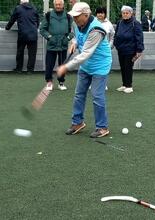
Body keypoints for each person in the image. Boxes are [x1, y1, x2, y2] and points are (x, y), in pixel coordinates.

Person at [56, 2, 112, 138]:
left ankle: (102, 127)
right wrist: (74, 43)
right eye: (73, 16)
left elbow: (86, 53)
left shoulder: (96, 30)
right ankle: (77, 122)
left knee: (97, 96)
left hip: (100, 65)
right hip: (86, 65)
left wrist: (66, 66)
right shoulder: (77, 23)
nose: (74, 19)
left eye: (77, 16)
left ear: (86, 15)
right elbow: (76, 36)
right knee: (79, 94)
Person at [40, 0, 73, 91]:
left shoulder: (68, 16)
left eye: (60, 4)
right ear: (54, 5)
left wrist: (67, 38)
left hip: (63, 45)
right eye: (56, 4)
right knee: (49, 65)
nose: (58, 6)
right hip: (52, 45)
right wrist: (49, 37)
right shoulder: (48, 15)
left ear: (63, 5)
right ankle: (49, 82)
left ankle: (61, 83)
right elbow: (42, 29)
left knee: (62, 65)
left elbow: (72, 31)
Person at [114, 6, 144, 94]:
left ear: (131, 13)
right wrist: (116, 44)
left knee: (128, 67)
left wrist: (139, 50)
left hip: (130, 49)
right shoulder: (120, 23)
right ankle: (124, 84)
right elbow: (116, 34)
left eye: (127, 13)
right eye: (123, 13)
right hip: (121, 49)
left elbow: (139, 37)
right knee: (123, 67)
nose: (125, 14)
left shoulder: (135, 23)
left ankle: (129, 86)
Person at [5, 0, 39, 73]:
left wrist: (7, 27)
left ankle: (19, 69)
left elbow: (12, 19)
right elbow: (38, 21)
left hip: (23, 34)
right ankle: (30, 70)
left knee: (20, 52)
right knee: (32, 53)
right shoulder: (34, 8)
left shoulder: (18, 8)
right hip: (33, 33)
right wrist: (35, 28)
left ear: (21, 2)